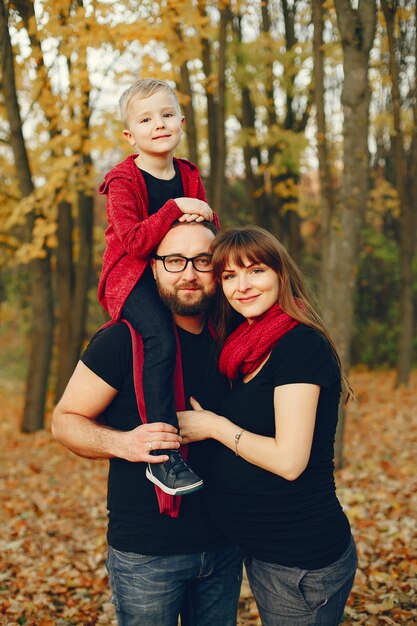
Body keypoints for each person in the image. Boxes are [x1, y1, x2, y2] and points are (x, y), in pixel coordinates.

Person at [52, 221, 243, 626]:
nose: (189, 274)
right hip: (148, 554)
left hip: (226, 542)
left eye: (203, 261)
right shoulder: (122, 341)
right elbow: (64, 421)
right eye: (175, 261)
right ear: (153, 268)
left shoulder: (234, 337)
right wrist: (125, 444)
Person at [178, 225, 358, 626]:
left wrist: (213, 425)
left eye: (255, 270)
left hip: (301, 562)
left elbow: (289, 460)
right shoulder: (241, 344)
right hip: (265, 554)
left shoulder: (299, 346)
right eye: (228, 275)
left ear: (280, 273)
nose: (242, 286)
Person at [98, 78, 220, 496]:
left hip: (175, 272)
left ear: (181, 122)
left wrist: (195, 217)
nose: (159, 124)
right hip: (129, 277)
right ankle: (165, 456)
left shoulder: (188, 174)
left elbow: (207, 226)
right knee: (160, 339)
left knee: (220, 321)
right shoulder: (123, 181)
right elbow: (131, 242)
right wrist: (175, 209)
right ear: (130, 134)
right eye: (146, 119)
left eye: (167, 115)